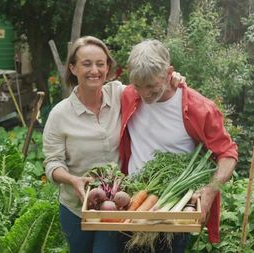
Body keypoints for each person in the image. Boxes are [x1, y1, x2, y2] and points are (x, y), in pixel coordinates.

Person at [119, 39, 238, 252]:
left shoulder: (199, 108)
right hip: (133, 204)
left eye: (151, 87)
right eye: (138, 86)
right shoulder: (129, 95)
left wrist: (210, 191)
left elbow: (228, 153)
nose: (145, 94)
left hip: (177, 209)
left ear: (168, 73)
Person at [43, 36, 123, 253]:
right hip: (75, 208)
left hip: (114, 205)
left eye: (100, 63)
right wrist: (72, 179)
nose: (94, 70)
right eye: (86, 64)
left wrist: (173, 78)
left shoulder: (119, 95)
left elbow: (150, 84)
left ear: (108, 67)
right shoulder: (60, 114)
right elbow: (52, 163)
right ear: (73, 68)